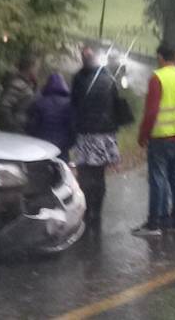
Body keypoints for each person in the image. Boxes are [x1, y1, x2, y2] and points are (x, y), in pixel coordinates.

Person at [132, 43, 175, 237]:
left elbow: (151, 111)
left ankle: (154, 224)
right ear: (174, 57)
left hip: (160, 137)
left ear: (160, 57)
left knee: (158, 179)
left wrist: (143, 136)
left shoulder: (157, 78)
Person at [70, 46, 129, 230]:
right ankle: (97, 211)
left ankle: (87, 211)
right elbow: (115, 103)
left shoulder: (78, 79)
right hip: (105, 133)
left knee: (85, 174)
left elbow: (74, 105)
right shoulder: (108, 78)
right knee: (99, 175)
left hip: (86, 133)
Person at [27, 73, 74, 161]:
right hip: (62, 146)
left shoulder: (39, 102)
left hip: (42, 143)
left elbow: (32, 125)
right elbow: (73, 126)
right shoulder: (69, 104)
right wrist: (69, 143)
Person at [0, 56, 38, 133]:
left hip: (21, 128)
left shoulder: (27, 85)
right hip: (15, 130)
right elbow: (4, 107)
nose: (37, 71)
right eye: (35, 68)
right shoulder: (17, 84)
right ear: (30, 68)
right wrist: (12, 127)